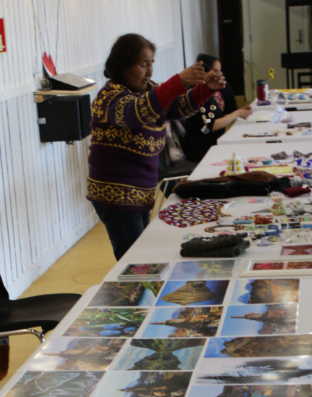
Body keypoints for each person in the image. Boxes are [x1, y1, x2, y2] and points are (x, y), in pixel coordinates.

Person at [87, 34, 225, 260]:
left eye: (151, 63)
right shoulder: (109, 98)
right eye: (143, 65)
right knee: (134, 261)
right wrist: (179, 81)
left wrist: (205, 89)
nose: (150, 71)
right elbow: (137, 112)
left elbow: (177, 108)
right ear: (123, 65)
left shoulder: (146, 90)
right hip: (117, 196)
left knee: (140, 256)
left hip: (141, 193)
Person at [180, 54, 252, 163]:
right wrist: (237, 113)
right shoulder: (196, 93)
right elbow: (212, 126)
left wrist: (241, 111)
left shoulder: (211, 91)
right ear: (205, 73)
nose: (220, 74)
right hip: (200, 149)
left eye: (220, 70)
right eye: (216, 71)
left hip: (213, 143)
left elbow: (222, 116)